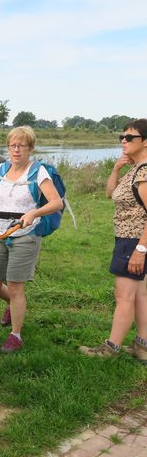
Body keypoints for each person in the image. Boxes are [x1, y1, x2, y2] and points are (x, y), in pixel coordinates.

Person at [0, 126, 62, 353]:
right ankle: (13, 306)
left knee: (16, 287)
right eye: (12, 145)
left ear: (30, 148)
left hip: (25, 236)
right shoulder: (2, 168)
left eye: (22, 145)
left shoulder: (38, 172)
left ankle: (16, 335)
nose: (16, 150)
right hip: (0, 233)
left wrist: (33, 213)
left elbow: (56, 203)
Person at [79, 119, 147, 363]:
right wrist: (116, 169)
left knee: (124, 297)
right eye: (122, 137)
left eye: (130, 138)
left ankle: (111, 349)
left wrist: (140, 248)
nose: (124, 141)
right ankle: (143, 346)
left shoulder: (144, 172)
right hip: (132, 240)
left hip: (133, 241)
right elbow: (110, 193)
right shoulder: (136, 169)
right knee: (140, 295)